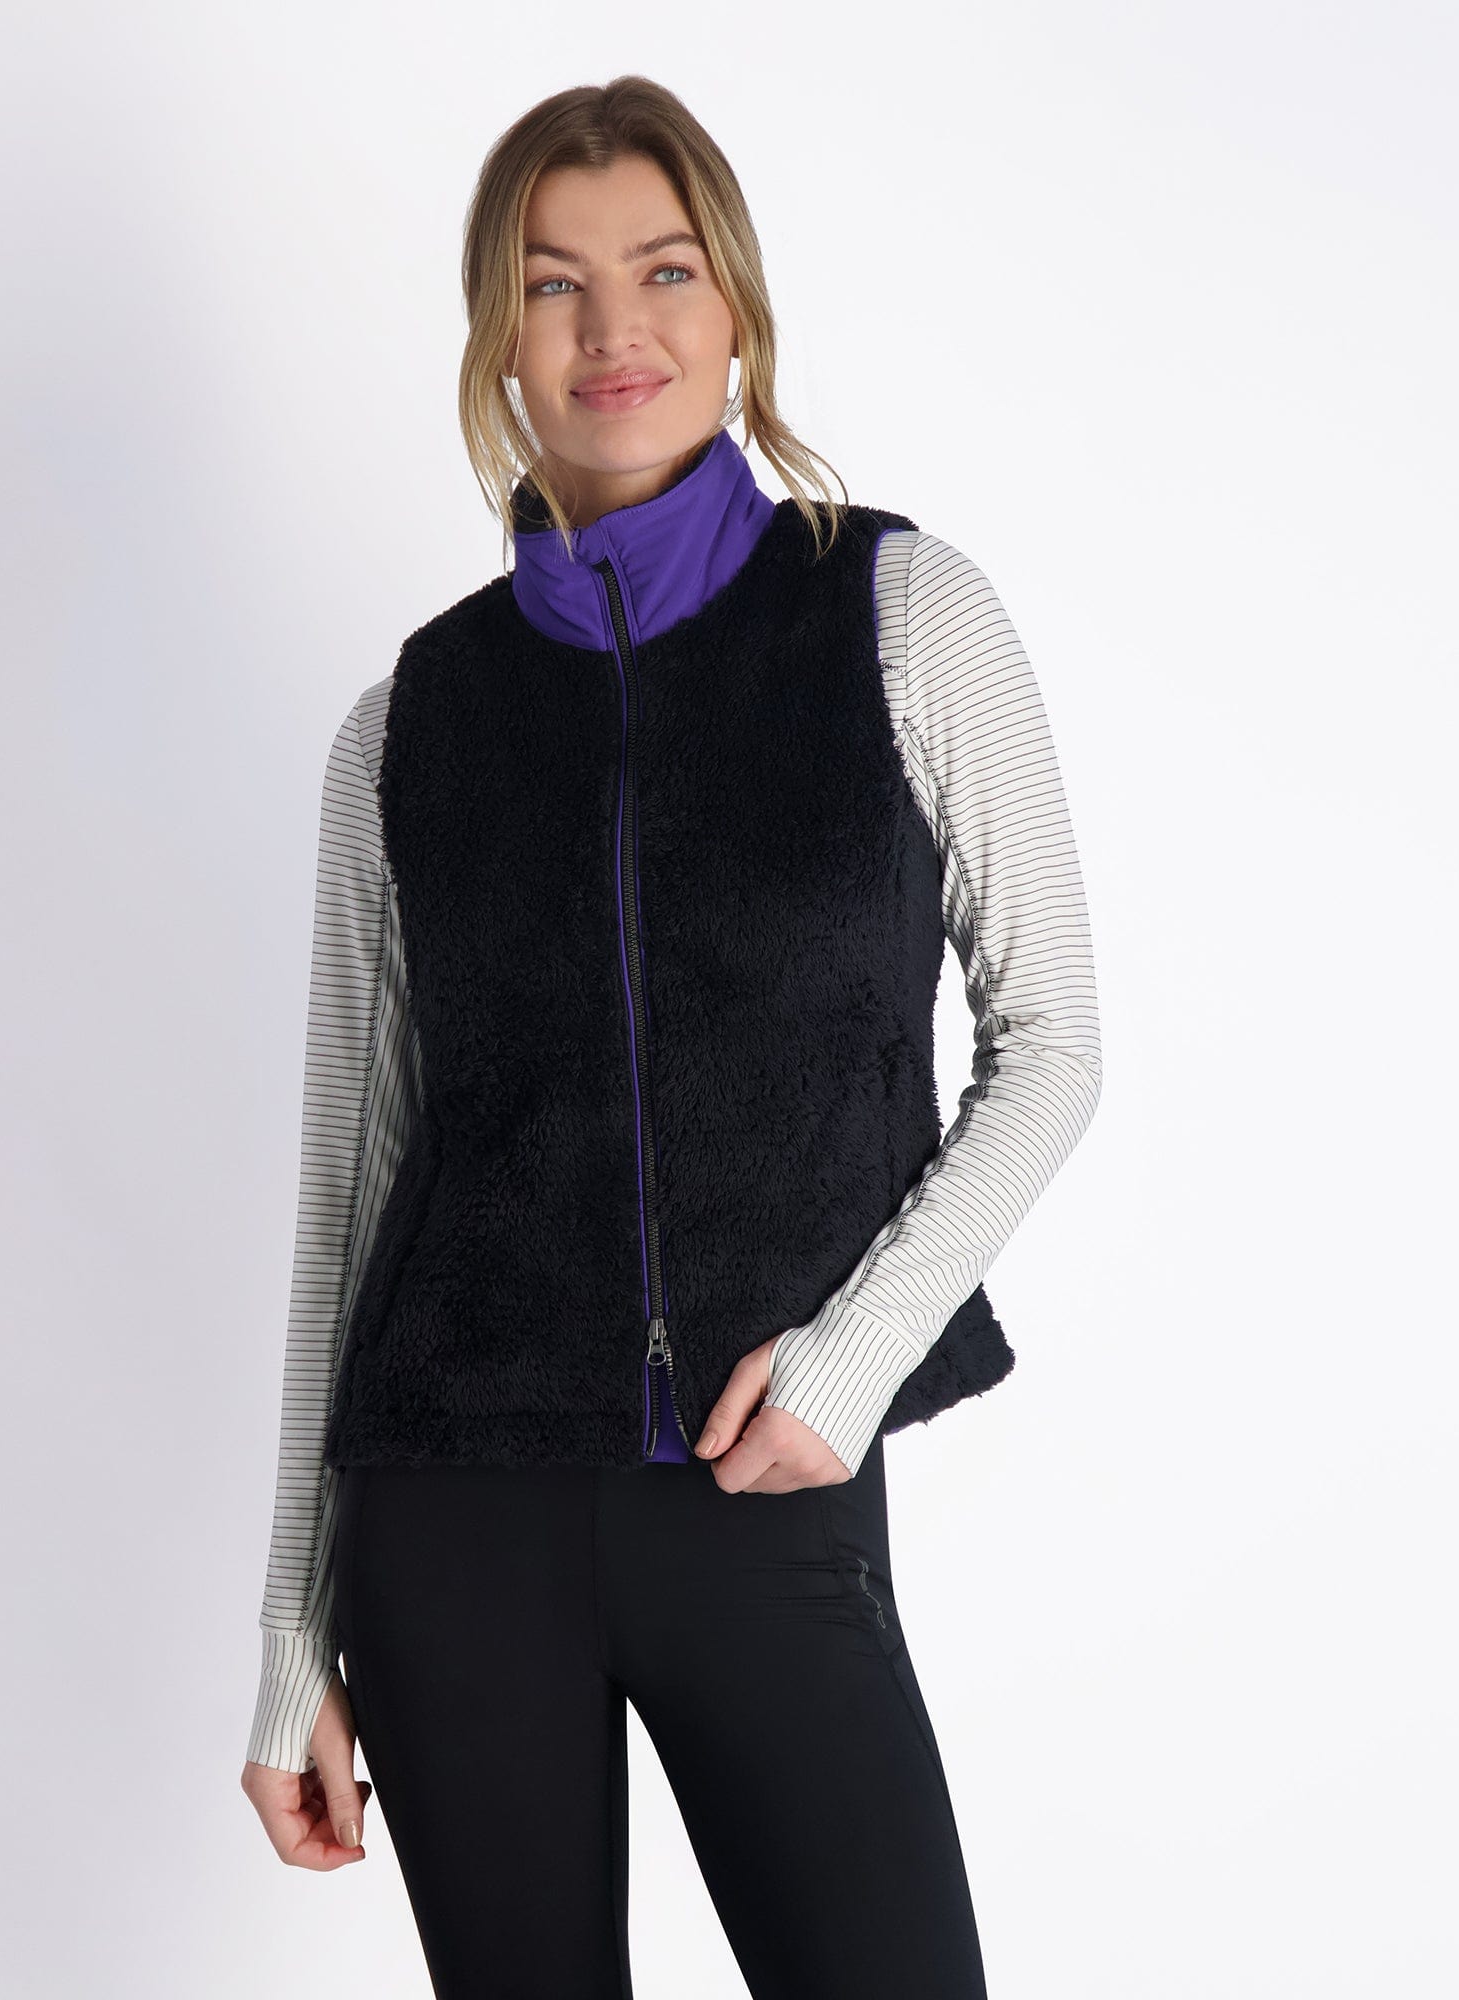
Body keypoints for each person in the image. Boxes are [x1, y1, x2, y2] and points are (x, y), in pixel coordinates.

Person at [240, 74, 1102, 2000]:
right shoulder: (410, 728)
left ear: (737, 312)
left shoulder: (897, 617)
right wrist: (294, 1624)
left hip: (759, 1488)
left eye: (663, 270)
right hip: (453, 1521)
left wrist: (848, 1367)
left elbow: (1053, 1040)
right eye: (552, 284)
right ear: (499, 337)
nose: (610, 328)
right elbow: (352, 1188)